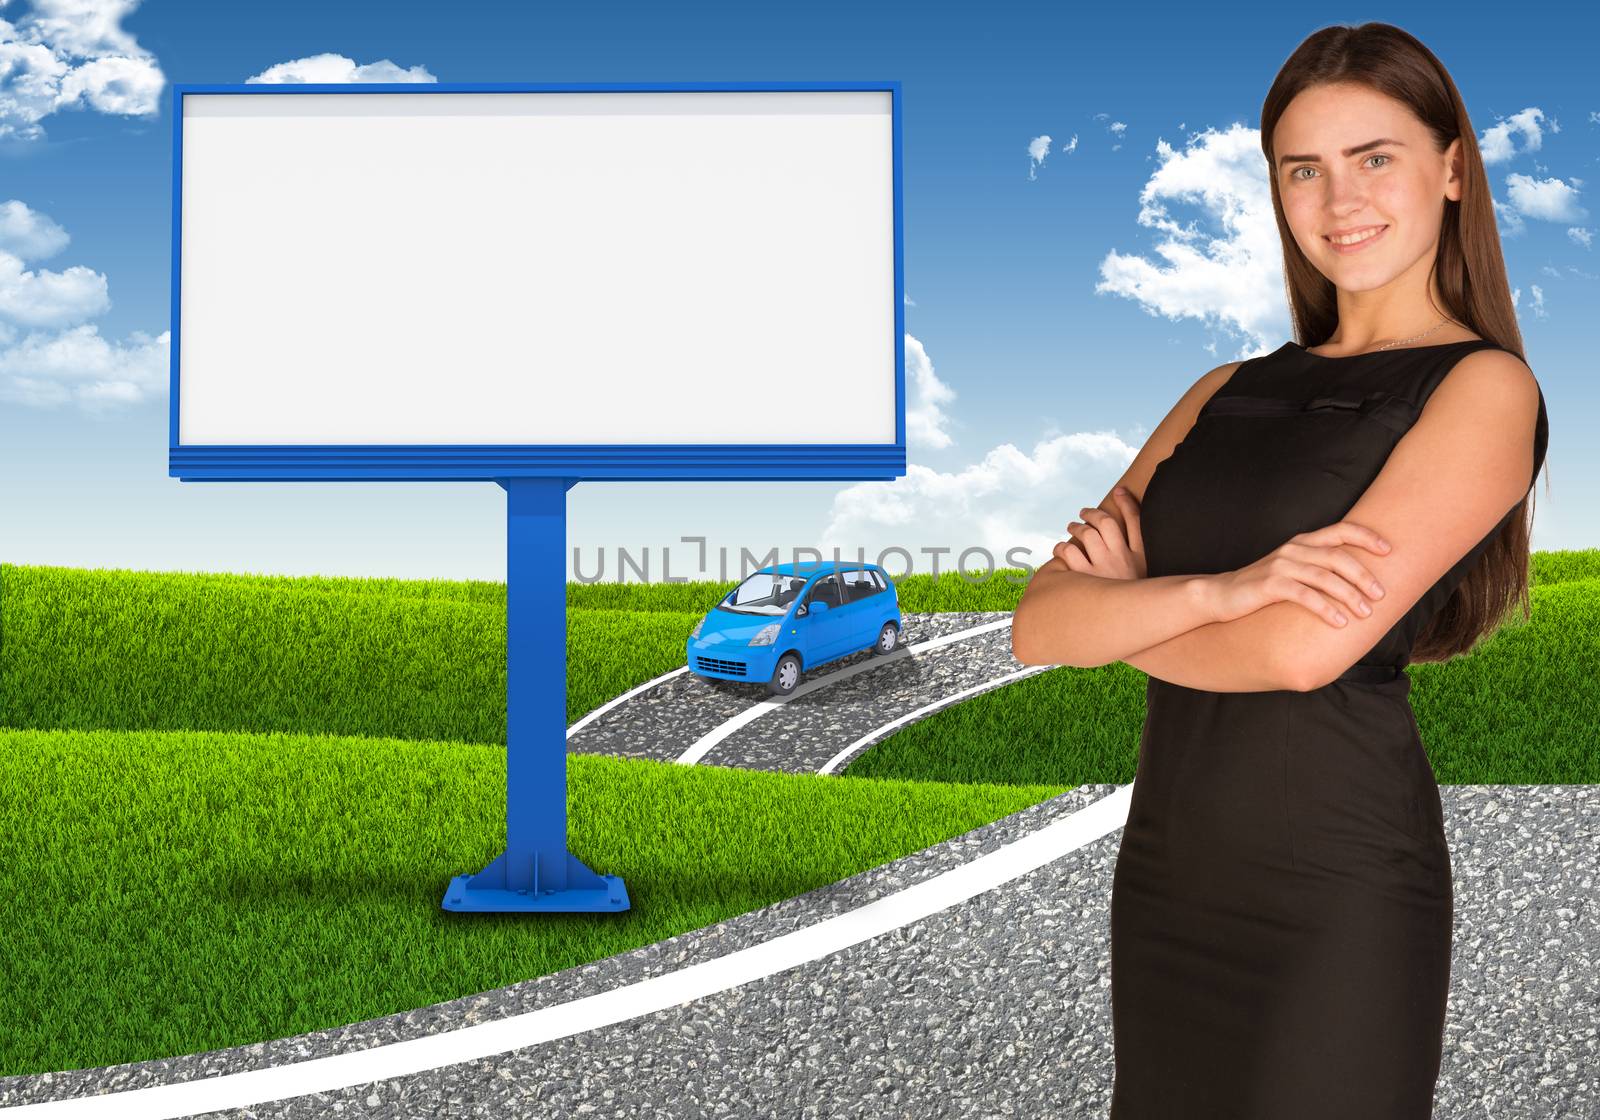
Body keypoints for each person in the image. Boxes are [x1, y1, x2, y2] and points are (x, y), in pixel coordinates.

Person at [1010, 21, 1548, 1119]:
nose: (1337, 199)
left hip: (1334, 893)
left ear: (1451, 169)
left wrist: (1122, 615)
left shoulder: (1484, 389)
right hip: (1169, 876)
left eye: (1374, 158)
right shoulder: (1220, 390)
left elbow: (1302, 654)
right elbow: (1036, 625)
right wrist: (1223, 592)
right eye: (1302, 168)